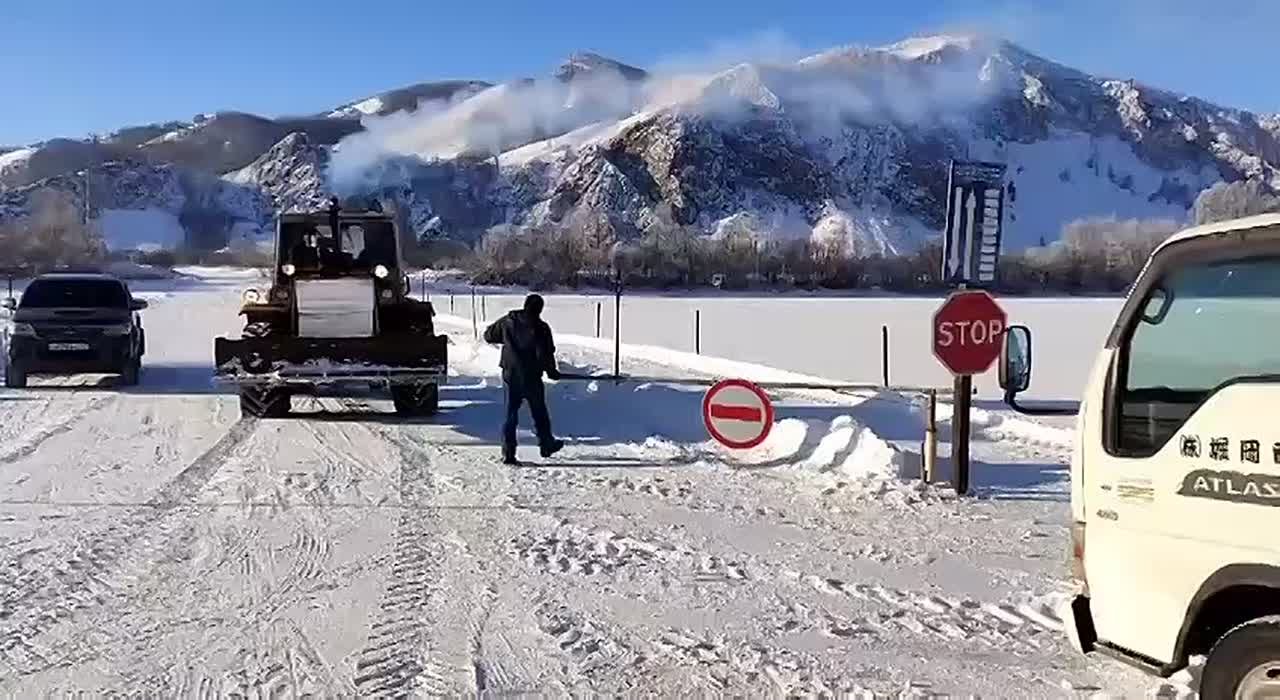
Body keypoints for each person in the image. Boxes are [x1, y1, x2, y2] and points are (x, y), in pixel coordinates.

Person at [483, 294, 565, 465]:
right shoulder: (541, 327)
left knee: (510, 415)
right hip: (532, 376)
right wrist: (551, 371)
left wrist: (506, 337)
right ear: (540, 309)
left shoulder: (508, 321)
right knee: (539, 412)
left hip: (511, 374)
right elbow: (545, 353)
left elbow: (489, 335)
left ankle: (508, 453)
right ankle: (546, 444)